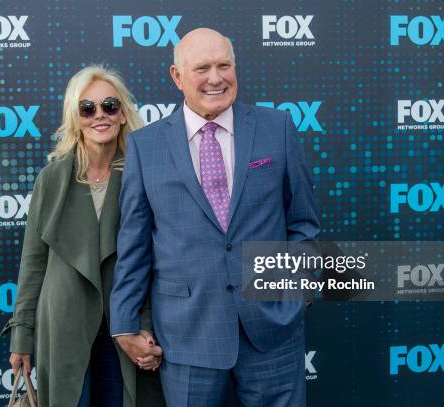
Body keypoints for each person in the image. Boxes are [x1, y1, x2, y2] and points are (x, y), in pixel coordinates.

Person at [110, 29, 320, 406]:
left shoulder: (278, 128)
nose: (216, 78)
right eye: (202, 68)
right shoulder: (146, 146)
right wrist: (124, 322)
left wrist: (297, 293)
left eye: (225, 65)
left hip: (272, 332)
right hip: (187, 336)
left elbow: (302, 223)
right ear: (177, 76)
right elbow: (134, 244)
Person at [0, 65, 164, 407]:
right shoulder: (53, 179)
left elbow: (159, 257)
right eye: (87, 108)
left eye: (109, 106)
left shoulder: (143, 172)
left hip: (127, 323)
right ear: (75, 117)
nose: (99, 115)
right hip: (64, 324)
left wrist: (146, 325)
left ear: (122, 114)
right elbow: (33, 263)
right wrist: (22, 337)